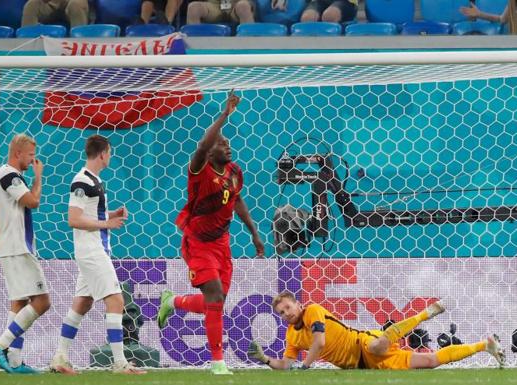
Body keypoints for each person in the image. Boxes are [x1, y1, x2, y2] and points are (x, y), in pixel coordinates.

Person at [157, 92, 265, 375]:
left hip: (222, 243)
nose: (227, 145)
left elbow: (237, 200)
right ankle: (218, 362)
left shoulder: (233, 171)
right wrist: (224, 114)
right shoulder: (199, 169)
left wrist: (254, 232)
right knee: (215, 297)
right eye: (221, 142)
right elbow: (204, 143)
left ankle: (174, 301)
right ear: (209, 150)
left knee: (213, 303)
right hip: (198, 242)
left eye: (228, 142)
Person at [49, 135, 146, 375]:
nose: (110, 157)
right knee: (116, 301)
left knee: (82, 303)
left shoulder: (95, 181)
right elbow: (73, 219)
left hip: (93, 249)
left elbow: (90, 214)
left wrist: (111, 215)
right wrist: (107, 225)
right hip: (92, 251)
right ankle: (120, 363)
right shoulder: (81, 181)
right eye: (109, 153)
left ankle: (59, 358)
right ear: (102, 154)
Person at [248, 291, 506, 370]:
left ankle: (425, 313)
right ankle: (485, 345)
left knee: (377, 345)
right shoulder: (291, 335)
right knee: (429, 361)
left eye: (288, 307)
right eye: (281, 312)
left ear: (298, 304)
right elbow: (286, 364)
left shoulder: (312, 310)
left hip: (361, 343)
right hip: (363, 365)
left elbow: (319, 342)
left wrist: (305, 366)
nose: (286, 313)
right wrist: (266, 360)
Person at [0, 134, 50, 374]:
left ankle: (14, 362)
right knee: (43, 302)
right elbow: (33, 201)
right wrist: (38, 177)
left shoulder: (12, 176)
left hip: (14, 246)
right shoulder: (8, 175)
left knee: (20, 303)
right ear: (17, 154)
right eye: (31, 156)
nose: (33, 160)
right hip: (16, 247)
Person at [21, 0, 89, 29]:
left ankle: (79, 48)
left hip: (74, 2)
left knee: (76, 5)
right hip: (49, 3)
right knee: (31, 5)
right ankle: (27, 49)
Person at [186, 0, 255, 25]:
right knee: (193, 8)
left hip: (236, 4)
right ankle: (194, 48)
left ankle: (251, 46)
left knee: (243, 6)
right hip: (214, 5)